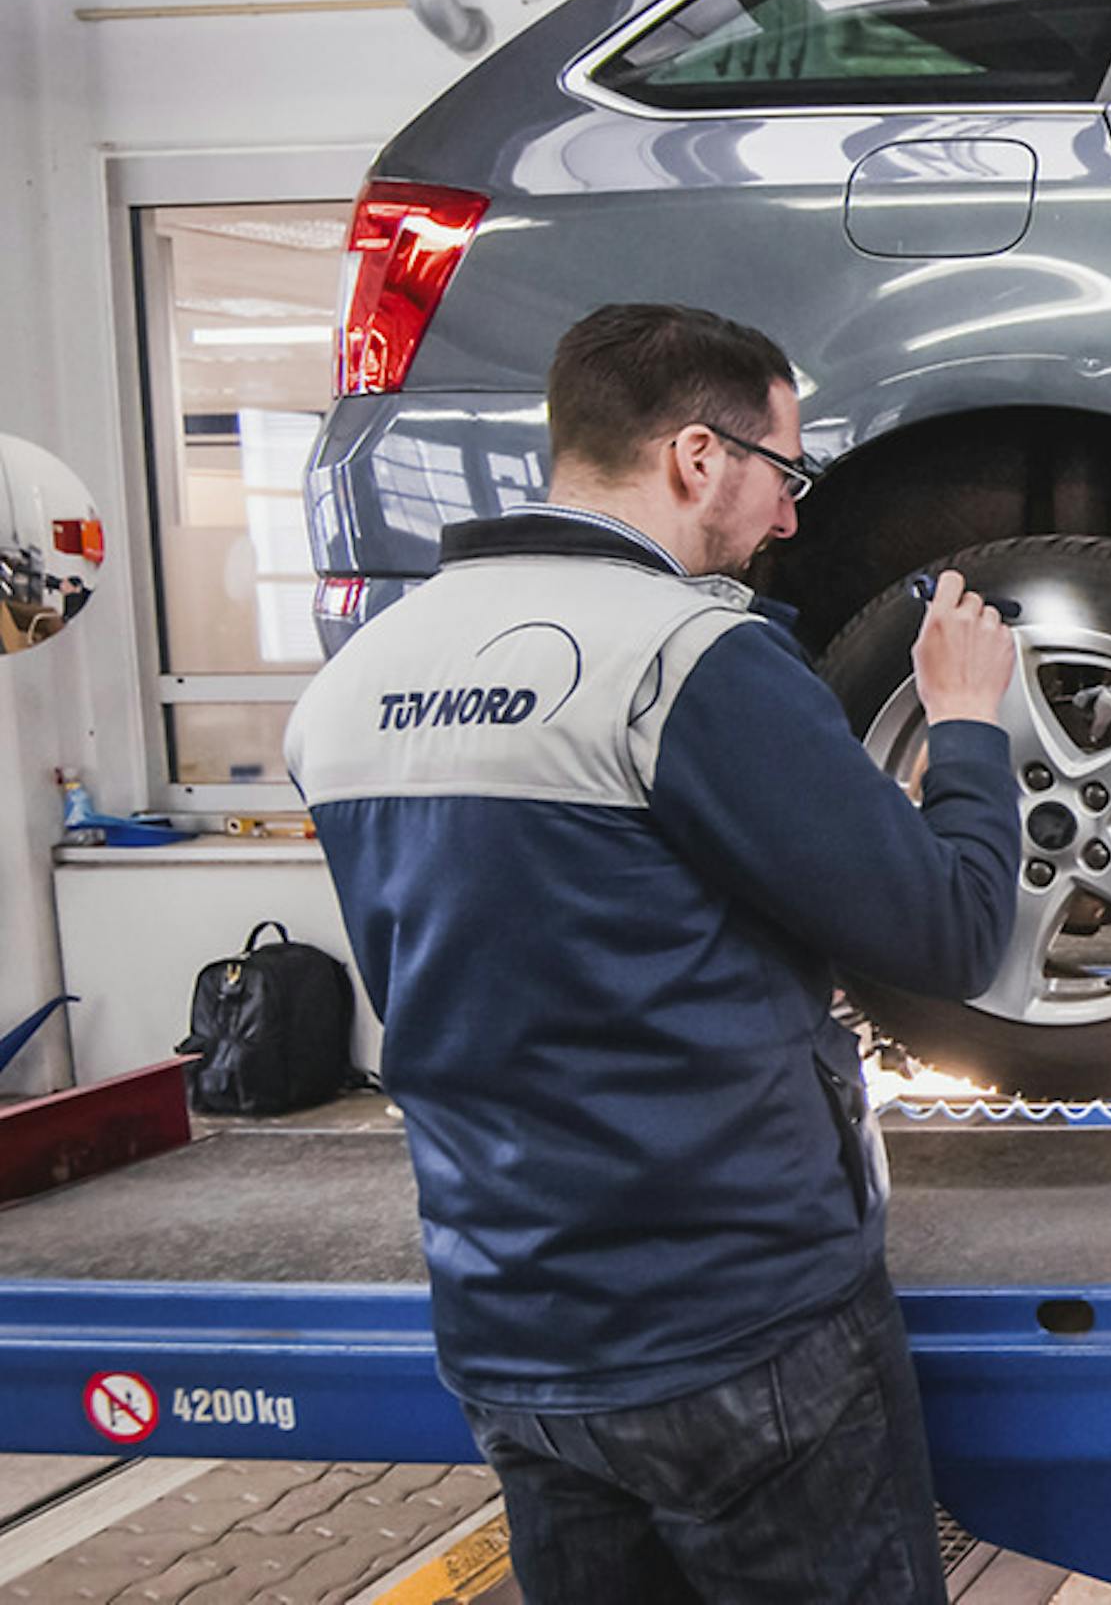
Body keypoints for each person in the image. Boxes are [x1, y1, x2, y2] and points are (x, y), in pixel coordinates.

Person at [287, 301, 1021, 1605]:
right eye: (783, 475)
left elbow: (544, 930)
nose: (789, 519)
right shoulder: (688, 659)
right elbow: (953, 932)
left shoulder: (352, 686)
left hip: (513, 1338)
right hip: (736, 1333)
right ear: (696, 457)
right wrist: (964, 724)